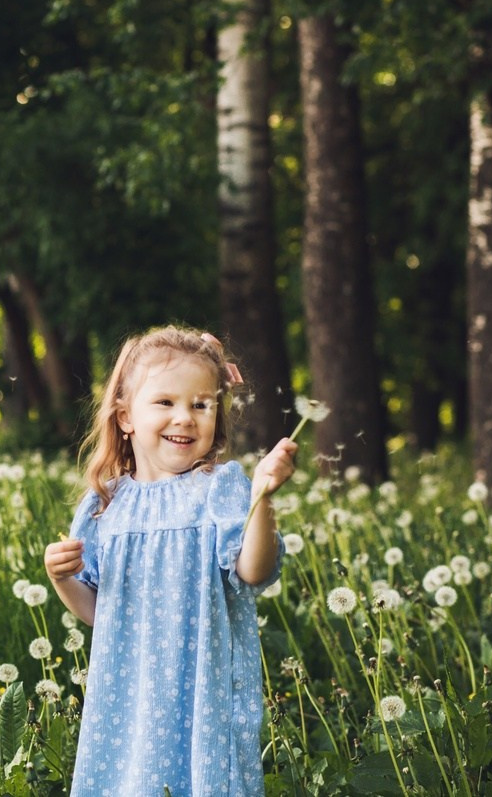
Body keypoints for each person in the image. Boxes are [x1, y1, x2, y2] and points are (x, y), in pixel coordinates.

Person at [43, 326, 296, 796]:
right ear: (125, 417)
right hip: (128, 699)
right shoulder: (106, 504)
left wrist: (262, 498)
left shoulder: (220, 488)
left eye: (201, 405)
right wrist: (61, 579)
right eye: (165, 403)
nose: (184, 418)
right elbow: (100, 611)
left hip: (202, 693)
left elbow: (253, 572)